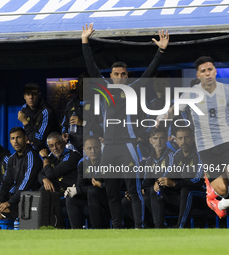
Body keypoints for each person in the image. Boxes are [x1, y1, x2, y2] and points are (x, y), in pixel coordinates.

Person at [82, 23, 169, 228]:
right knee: (111, 192)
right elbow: (91, 67)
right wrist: (85, 41)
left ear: (127, 75)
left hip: (128, 146)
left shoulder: (134, 89)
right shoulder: (104, 88)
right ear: (111, 76)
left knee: (133, 190)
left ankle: (138, 228)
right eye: (116, 74)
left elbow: (149, 72)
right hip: (109, 148)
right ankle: (117, 229)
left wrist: (161, 50)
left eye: (123, 74)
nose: (120, 77)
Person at [163, 56, 229, 218]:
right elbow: (173, 110)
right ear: (198, 75)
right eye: (203, 71)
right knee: (222, 190)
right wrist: (161, 118)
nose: (207, 73)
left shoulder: (228, 89)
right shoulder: (191, 95)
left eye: (210, 70)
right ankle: (217, 196)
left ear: (215, 71)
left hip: (227, 141)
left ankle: (221, 203)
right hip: (206, 147)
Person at [157, 127, 204, 228]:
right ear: (176, 140)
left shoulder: (199, 154)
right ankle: (160, 226)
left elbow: (198, 180)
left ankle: (180, 227)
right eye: (180, 138)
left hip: (201, 194)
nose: (183, 141)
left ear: (192, 138)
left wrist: (176, 184)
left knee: (187, 191)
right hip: (183, 194)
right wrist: (160, 181)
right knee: (158, 189)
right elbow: (169, 172)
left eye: (186, 137)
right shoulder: (177, 155)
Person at [0, 127, 42, 219]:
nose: (15, 141)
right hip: (18, 197)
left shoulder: (31, 156)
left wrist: (9, 202)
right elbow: (6, 182)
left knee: (0, 212)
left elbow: (26, 183)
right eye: (12, 138)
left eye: (18, 137)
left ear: (26, 138)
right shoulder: (12, 159)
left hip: (31, 198)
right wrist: (0, 200)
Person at [65, 136, 109, 229]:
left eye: (95, 147)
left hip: (107, 198)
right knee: (71, 198)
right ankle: (76, 232)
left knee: (93, 191)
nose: (93, 151)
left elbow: (110, 186)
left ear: (100, 147)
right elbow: (81, 184)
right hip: (91, 197)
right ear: (84, 149)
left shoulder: (106, 162)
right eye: (89, 148)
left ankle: (96, 229)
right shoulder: (83, 164)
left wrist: (78, 189)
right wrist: (76, 189)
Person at [141, 127, 175, 228]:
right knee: (128, 200)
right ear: (150, 141)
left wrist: (158, 182)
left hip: (170, 191)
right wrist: (138, 189)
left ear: (166, 139)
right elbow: (147, 179)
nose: (158, 141)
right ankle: (145, 228)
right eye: (155, 138)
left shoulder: (171, 155)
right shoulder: (149, 159)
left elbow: (170, 173)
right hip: (154, 190)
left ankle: (159, 226)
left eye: (161, 138)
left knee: (153, 191)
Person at [18, 83, 60, 151]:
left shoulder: (46, 111)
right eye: (28, 94)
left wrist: (25, 122)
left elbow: (38, 141)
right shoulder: (24, 109)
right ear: (24, 96)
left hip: (51, 150)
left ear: (39, 95)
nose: (31, 97)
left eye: (34, 94)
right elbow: (26, 135)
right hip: (33, 149)